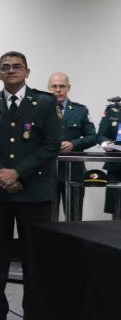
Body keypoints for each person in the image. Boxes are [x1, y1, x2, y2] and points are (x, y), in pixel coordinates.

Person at [0, 51, 61, 320]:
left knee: (34, 255)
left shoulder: (44, 102)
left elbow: (51, 145)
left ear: (27, 71)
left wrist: (17, 172)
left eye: (16, 67)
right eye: (5, 68)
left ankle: (35, 315)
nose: (11, 71)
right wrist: (1, 173)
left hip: (33, 192)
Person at [47, 72, 98, 220]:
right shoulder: (40, 111)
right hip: (47, 172)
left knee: (74, 220)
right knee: (48, 220)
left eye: (62, 86)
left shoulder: (80, 111)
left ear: (68, 87)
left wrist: (74, 144)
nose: (58, 90)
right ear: (48, 88)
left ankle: (73, 244)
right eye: (54, 86)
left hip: (74, 172)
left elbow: (93, 137)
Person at [96, 97, 121, 218]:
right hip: (116, 167)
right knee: (116, 213)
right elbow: (101, 134)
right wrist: (106, 143)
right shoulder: (113, 109)